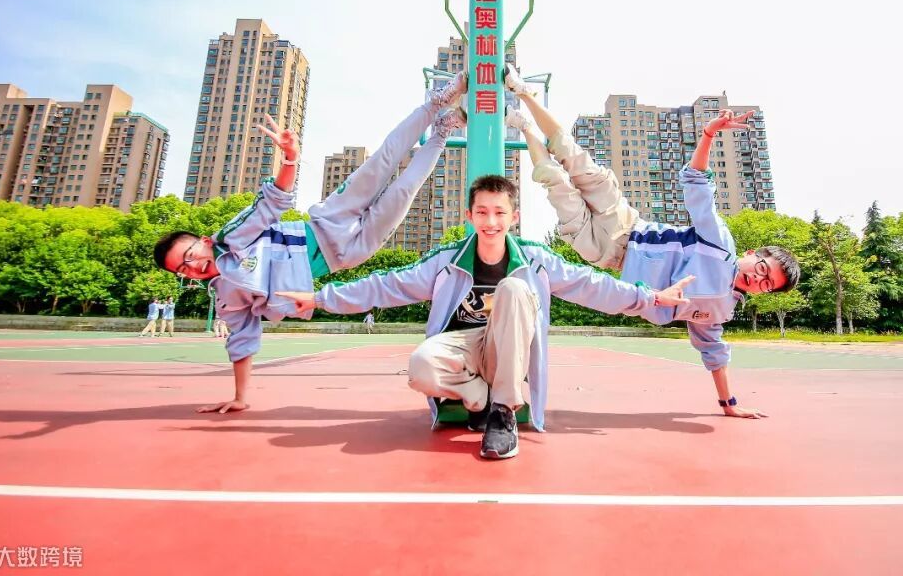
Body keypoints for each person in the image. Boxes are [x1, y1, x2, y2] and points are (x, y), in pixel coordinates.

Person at [276, 175, 696, 460]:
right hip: (464, 349)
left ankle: (503, 412)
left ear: (514, 217)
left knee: (513, 288)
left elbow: (593, 285)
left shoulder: (537, 259)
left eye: (499, 212)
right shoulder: (445, 260)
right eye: (482, 212)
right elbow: (385, 285)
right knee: (420, 367)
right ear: (470, 216)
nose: (491, 221)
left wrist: (650, 296)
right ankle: (478, 399)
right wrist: (320, 299)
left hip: (506, 349)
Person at [152, 76, 468, 413]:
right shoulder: (227, 298)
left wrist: (290, 159)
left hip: (328, 221)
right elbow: (242, 340)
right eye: (182, 269)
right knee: (405, 189)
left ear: (203, 242)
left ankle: (435, 102)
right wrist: (240, 397)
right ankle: (442, 131)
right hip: (349, 254)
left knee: (383, 160)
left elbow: (272, 201)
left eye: (189, 255)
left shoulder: (232, 237)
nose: (192, 267)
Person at [503, 65, 801, 419]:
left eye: (767, 285)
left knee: (554, 182)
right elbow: (696, 182)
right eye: (762, 269)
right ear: (752, 254)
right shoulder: (720, 244)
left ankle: (524, 127)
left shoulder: (720, 309)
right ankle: (523, 92)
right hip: (626, 223)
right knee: (572, 155)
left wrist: (729, 404)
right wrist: (708, 134)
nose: (757, 279)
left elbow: (713, 352)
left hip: (605, 255)